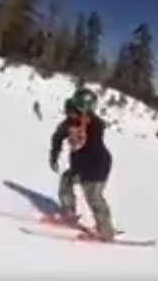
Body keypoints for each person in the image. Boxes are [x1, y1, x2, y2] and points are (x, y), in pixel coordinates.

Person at [48, 88, 115, 240]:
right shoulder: (69, 122)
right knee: (66, 181)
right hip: (80, 165)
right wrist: (54, 154)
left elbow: (94, 137)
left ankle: (106, 232)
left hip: (97, 165)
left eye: (81, 108)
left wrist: (84, 122)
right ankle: (69, 213)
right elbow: (58, 136)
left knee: (94, 197)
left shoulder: (95, 124)